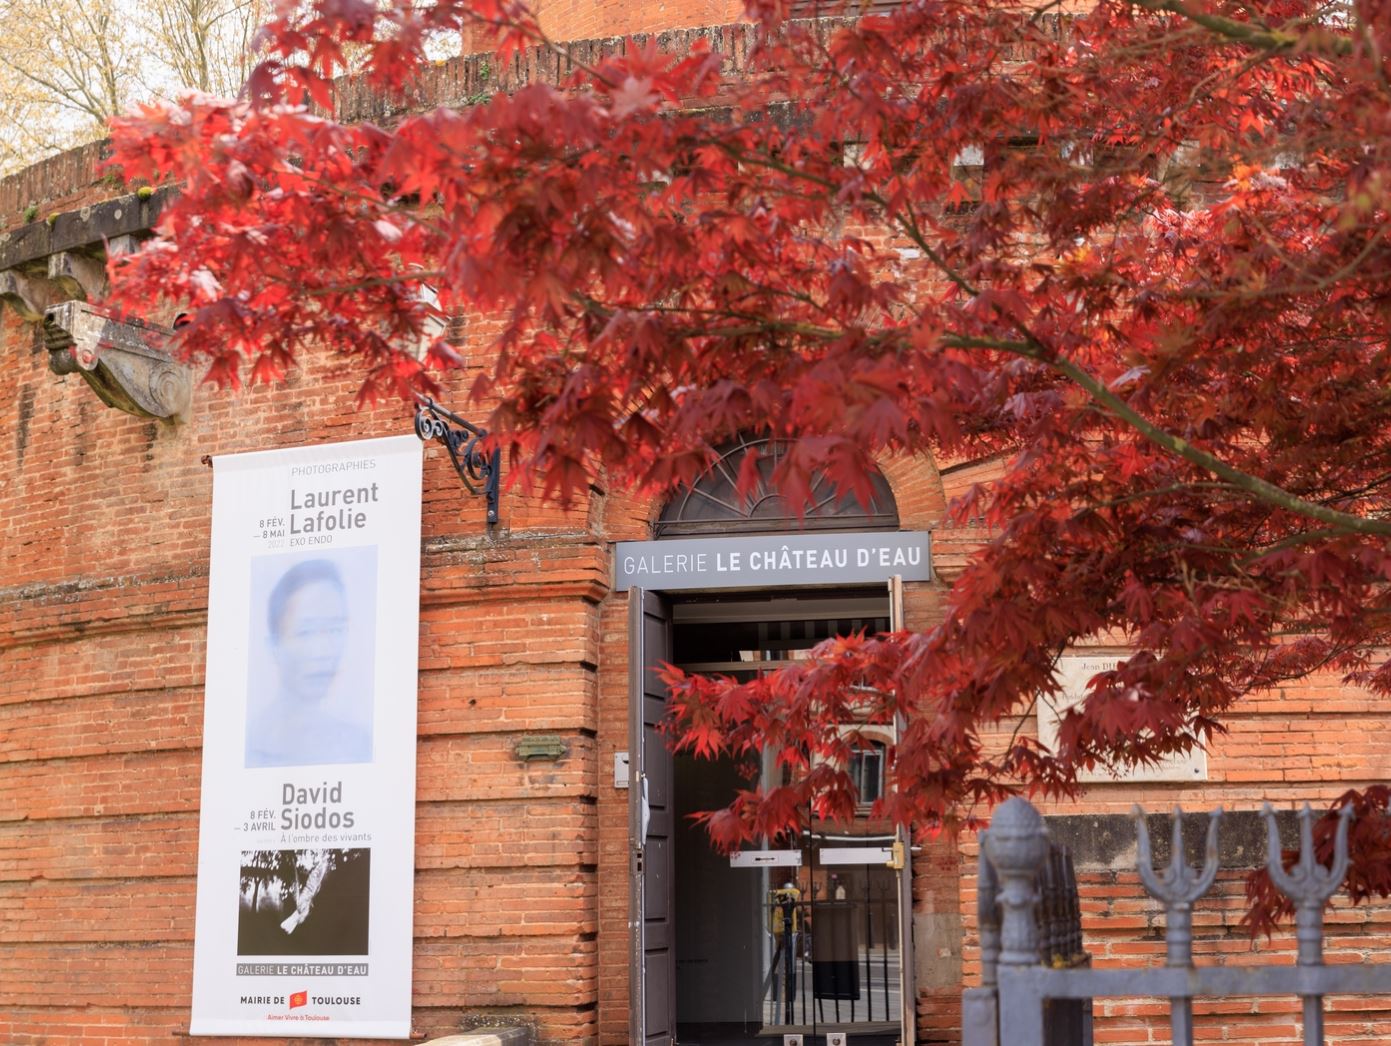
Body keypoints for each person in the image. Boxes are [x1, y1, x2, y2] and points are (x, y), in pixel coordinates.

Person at [245, 558, 372, 768]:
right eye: (306, 632)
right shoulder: (248, 746)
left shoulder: (359, 744)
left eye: (335, 630)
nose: (324, 651)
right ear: (274, 647)